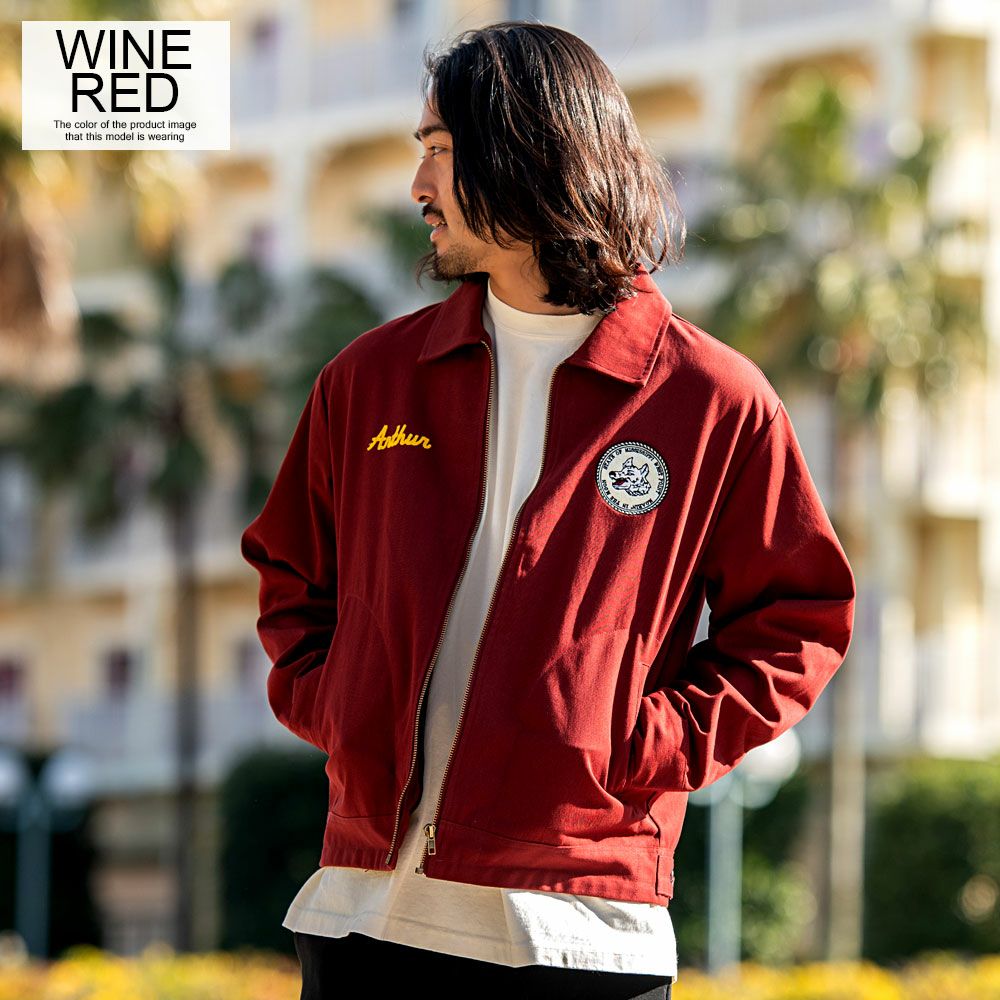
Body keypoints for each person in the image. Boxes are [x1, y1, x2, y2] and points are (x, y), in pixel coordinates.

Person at [239, 20, 856, 1000]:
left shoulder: (709, 400)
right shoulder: (369, 381)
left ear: (526, 150)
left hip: (586, 933)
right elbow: (290, 577)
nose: (418, 185)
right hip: (361, 914)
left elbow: (798, 622)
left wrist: (637, 742)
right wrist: (344, 705)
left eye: (441, 149)